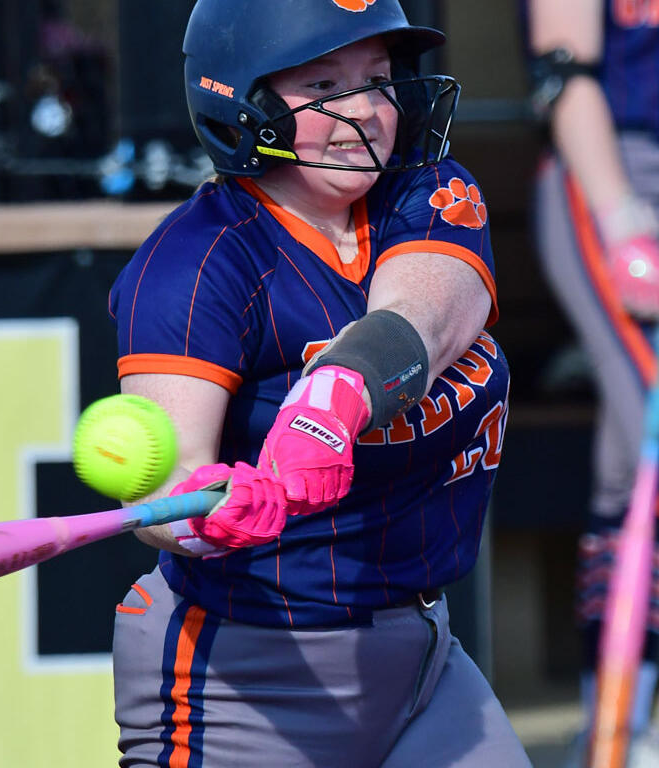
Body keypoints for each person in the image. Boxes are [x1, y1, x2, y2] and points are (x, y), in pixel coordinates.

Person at [108, 1, 530, 766]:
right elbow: (164, 498)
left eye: (377, 78)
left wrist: (333, 397)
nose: (367, 110)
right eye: (325, 85)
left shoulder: (423, 189)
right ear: (246, 103)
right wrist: (211, 513)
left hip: (425, 664)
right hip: (249, 680)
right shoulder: (193, 267)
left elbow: (426, 316)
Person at [524, 0, 659, 763]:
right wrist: (620, 219)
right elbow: (563, 71)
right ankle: (616, 727)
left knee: (626, 460)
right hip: (616, 173)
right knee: (651, 434)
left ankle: (614, 724)